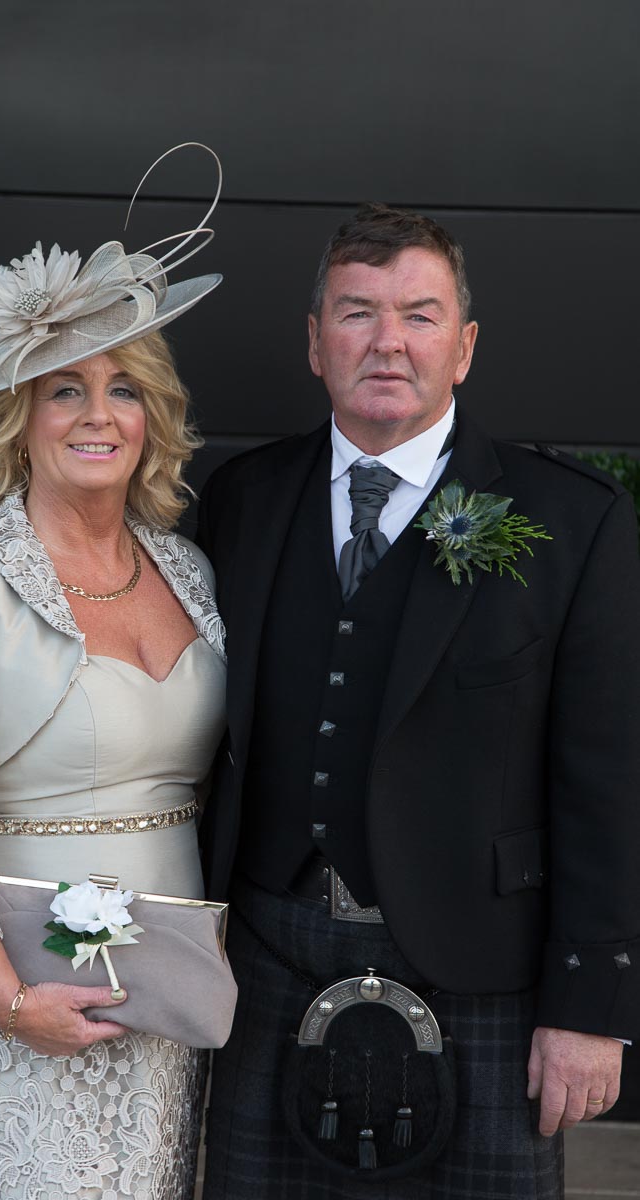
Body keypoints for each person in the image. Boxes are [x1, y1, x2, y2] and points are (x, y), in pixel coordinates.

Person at [196, 202, 640, 1200]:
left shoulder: (571, 521)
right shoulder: (242, 500)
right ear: (315, 343)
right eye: (356, 312)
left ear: (464, 347)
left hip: (482, 965)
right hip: (267, 955)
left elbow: (608, 783)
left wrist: (590, 1007)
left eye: (419, 314)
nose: (387, 341)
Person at [0, 161, 227, 1200]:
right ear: (17, 417)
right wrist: (6, 1001)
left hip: (175, 988)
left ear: (154, 415)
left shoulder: (192, 571)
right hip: (25, 986)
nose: (96, 414)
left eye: (124, 388)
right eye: (65, 388)